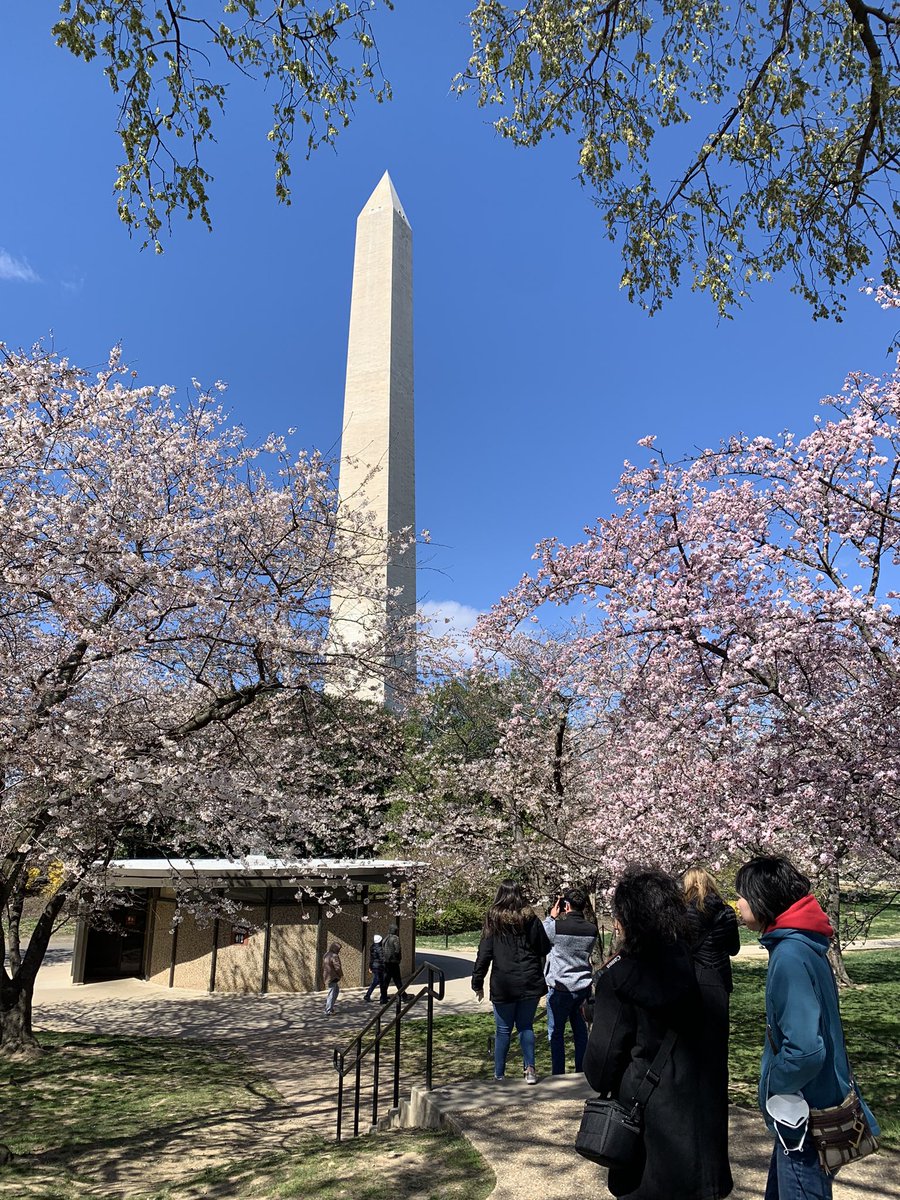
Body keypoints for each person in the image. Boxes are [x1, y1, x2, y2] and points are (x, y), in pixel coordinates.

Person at [734, 855, 880, 1200]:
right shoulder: (804, 945)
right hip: (808, 1105)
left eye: (742, 894)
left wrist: (772, 1085)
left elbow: (804, 1050)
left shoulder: (789, 955)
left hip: (804, 1112)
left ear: (762, 899)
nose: (737, 902)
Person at [584, 866, 733, 1200]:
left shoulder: (620, 980)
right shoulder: (706, 974)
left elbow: (600, 1071)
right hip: (704, 1137)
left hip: (649, 1140)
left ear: (627, 920)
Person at [471, 879, 552, 1083]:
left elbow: (485, 952)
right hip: (529, 978)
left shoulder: (493, 919)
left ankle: (499, 1074)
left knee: (503, 1030)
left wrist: (477, 981)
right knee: (526, 1026)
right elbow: (543, 946)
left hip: (503, 981)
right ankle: (530, 1069)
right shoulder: (531, 918)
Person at [543, 885, 598, 1074]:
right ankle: (581, 1071)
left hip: (560, 987)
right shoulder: (592, 930)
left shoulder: (557, 927)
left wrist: (552, 915)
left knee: (556, 1033)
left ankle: (558, 1073)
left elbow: (542, 932)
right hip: (582, 987)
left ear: (566, 906)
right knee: (580, 1033)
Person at [682, 867, 741, 994]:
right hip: (720, 976)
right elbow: (734, 949)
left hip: (693, 976)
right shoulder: (727, 912)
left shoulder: (684, 912)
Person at [381, 923, 409, 1000]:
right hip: (393, 962)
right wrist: (399, 959)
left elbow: (383, 950)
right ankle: (404, 996)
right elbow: (397, 950)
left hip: (386, 962)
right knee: (397, 980)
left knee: (386, 980)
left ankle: (383, 997)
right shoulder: (395, 938)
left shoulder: (385, 939)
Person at [364, 932, 387, 1003]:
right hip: (379, 967)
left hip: (374, 966)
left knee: (379, 981)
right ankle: (368, 995)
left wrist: (370, 966)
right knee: (378, 981)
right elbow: (382, 958)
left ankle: (383, 997)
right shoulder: (379, 948)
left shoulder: (372, 947)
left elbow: (371, 958)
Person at [322, 941, 343, 1016]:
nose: (339, 951)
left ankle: (330, 1007)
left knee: (335, 991)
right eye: (338, 949)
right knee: (332, 992)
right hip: (333, 976)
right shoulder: (334, 956)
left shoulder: (326, 954)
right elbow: (337, 967)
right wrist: (341, 974)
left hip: (327, 976)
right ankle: (328, 1010)